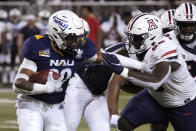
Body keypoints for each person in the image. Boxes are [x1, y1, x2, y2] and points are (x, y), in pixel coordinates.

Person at [12, 10, 105, 131]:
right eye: (72, 38)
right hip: (31, 102)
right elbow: (18, 84)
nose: (77, 42)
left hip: (57, 105)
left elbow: (106, 58)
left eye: (79, 37)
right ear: (58, 35)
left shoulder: (81, 51)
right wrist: (46, 88)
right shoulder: (38, 47)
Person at [102, 12, 196, 131]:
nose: (131, 41)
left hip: (182, 104)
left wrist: (123, 70)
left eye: (135, 38)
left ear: (151, 37)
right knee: (124, 123)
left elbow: (156, 80)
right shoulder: (140, 46)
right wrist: (94, 57)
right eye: (131, 37)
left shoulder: (168, 48)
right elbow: (108, 57)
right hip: (155, 98)